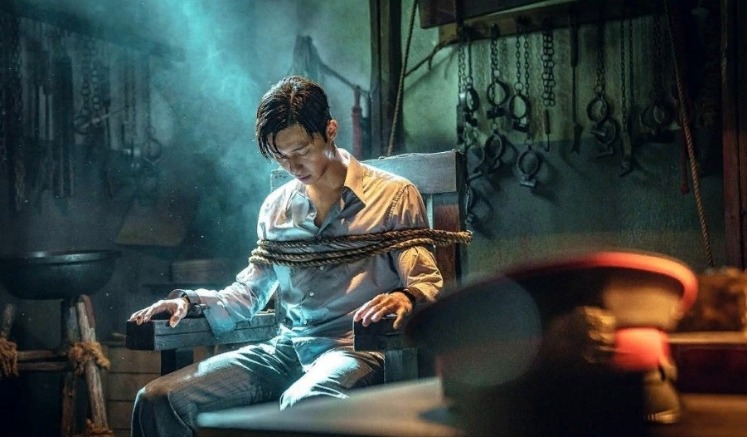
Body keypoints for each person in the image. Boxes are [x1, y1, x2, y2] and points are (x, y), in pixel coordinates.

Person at [128, 75, 444, 436]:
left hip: (356, 350)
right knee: (159, 399)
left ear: (330, 130)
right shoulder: (276, 209)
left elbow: (425, 281)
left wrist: (406, 296)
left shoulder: (393, 196)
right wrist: (190, 301)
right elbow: (249, 293)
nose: (292, 167)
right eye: (280, 156)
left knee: (303, 404)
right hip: (287, 350)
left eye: (301, 151)